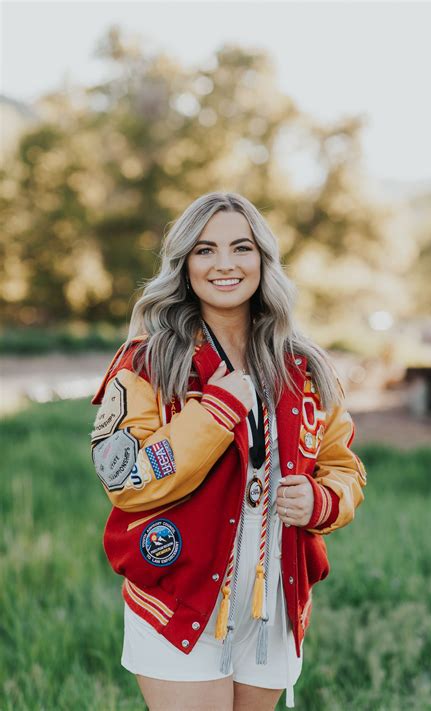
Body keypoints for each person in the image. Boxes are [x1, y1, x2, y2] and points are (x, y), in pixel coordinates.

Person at [90, 191, 367, 711]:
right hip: (180, 598)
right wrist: (216, 410)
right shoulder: (147, 360)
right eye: (204, 249)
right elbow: (124, 482)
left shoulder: (304, 366)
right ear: (184, 264)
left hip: (273, 606)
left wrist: (321, 500)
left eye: (241, 248)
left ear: (263, 259)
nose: (224, 264)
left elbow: (343, 466)